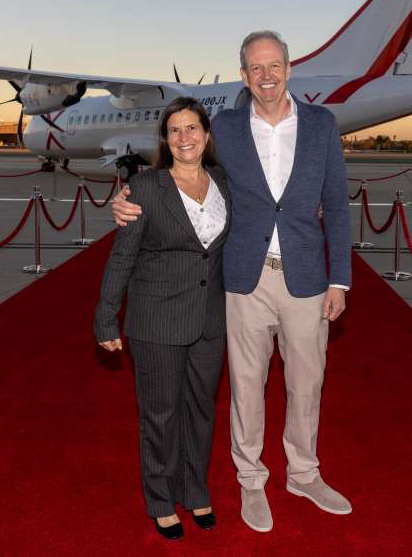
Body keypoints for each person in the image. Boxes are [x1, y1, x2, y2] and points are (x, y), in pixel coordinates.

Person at [113, 31, 352, 533]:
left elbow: (335, 203)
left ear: (289, 69)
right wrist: (131, 197)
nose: (266, 75)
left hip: (307, 277)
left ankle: (304, 474)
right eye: (255, 68)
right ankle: (251, 479)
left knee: (307, 384)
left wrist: (340, 279)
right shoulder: (225, 126)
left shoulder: (321, 124)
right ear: (243, 75)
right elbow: (186, 165)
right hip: (244, 277)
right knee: (246, 386)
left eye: (274, 65)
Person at [94, 97, 230, 541]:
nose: (184, 137)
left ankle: (194, 489)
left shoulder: (223, 181)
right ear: (165, 139)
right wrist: (105, 319)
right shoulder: (146, 187)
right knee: (160, 414)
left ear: (206, 136)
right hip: (157, 320)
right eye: (175, 130)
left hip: (209, 321)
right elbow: (122, 258)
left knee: (201, 412)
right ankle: (159, 498)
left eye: (192, 128)